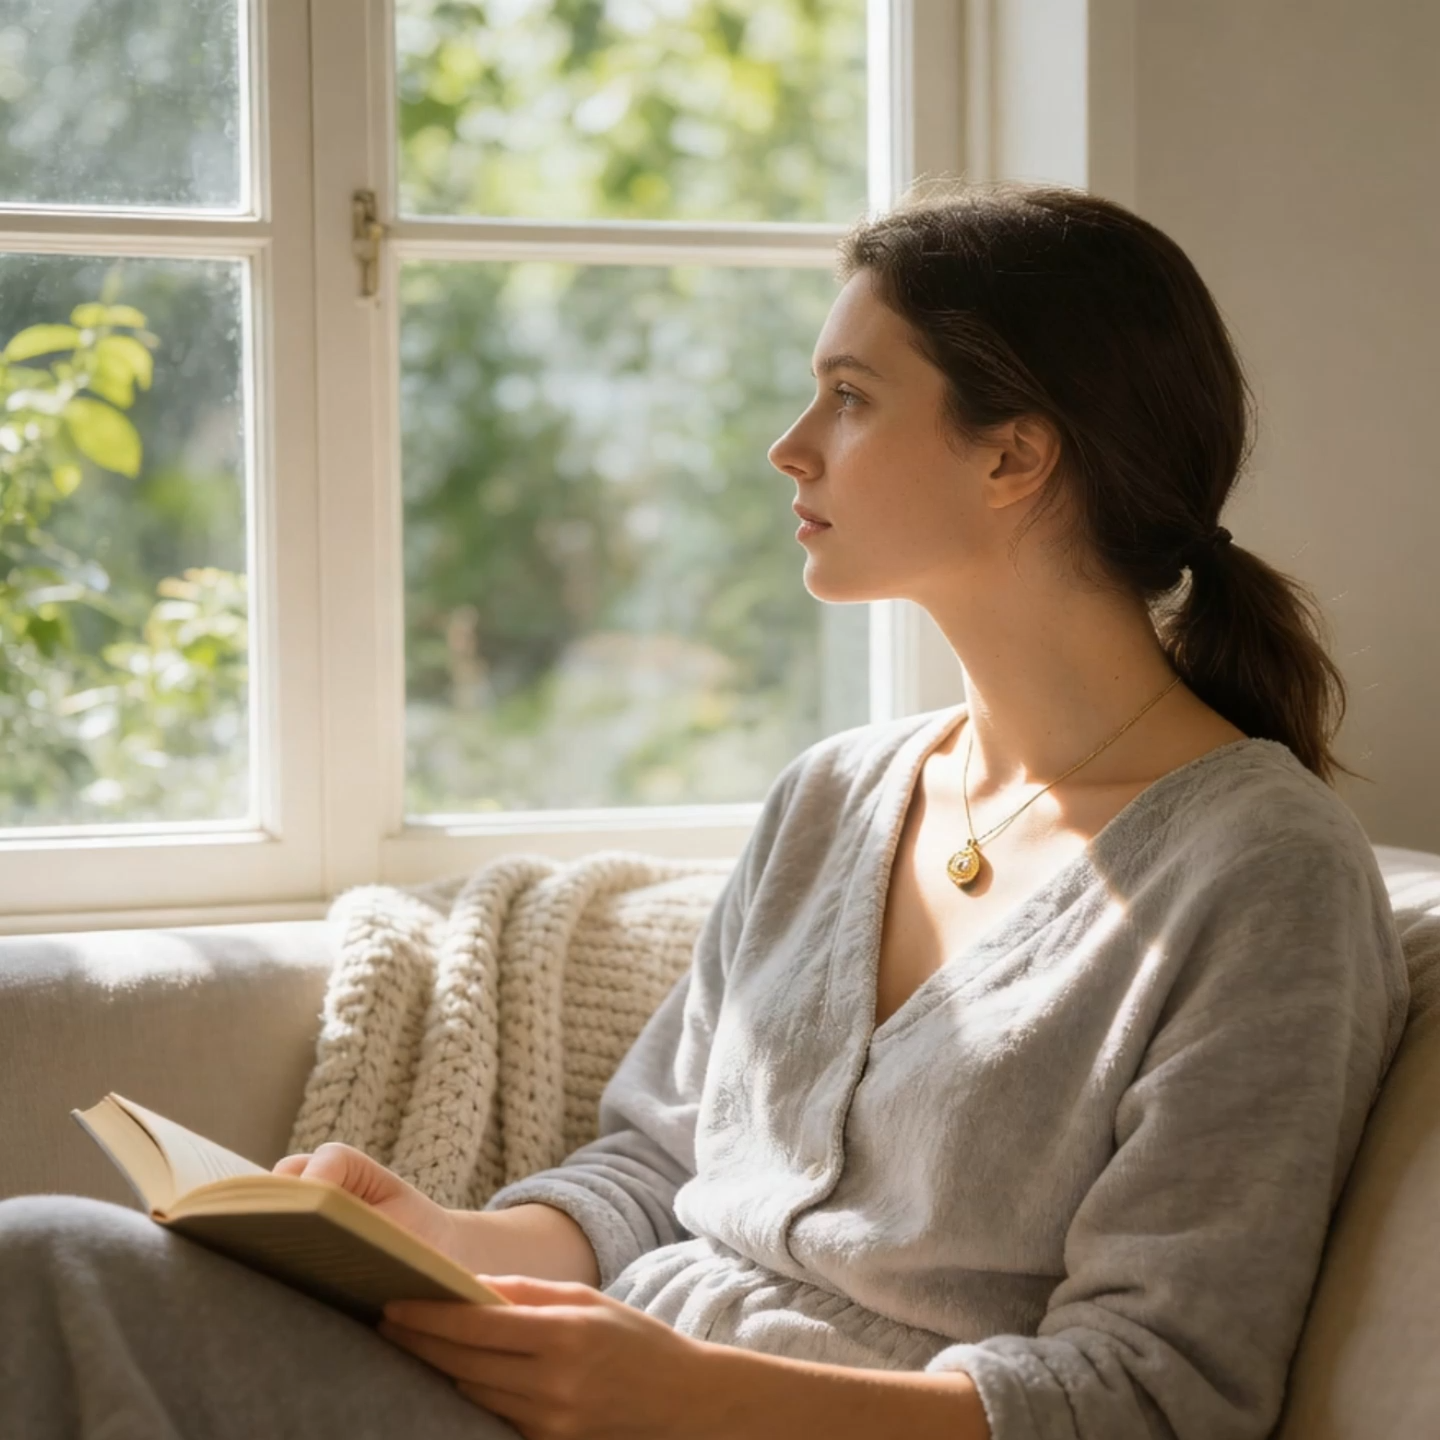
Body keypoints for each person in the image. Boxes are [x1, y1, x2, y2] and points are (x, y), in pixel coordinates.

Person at [0, 181, 1410, 1440]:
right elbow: (655, 1163)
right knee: (49, 1266)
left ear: (1013, 457)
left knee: (50, 1277)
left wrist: (696, 1400)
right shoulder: (834, 797)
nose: (791, 447)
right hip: (585, 1395)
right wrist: (449, 1238)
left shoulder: (1263, 874)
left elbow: (1160, 1394)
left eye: (851, 398)